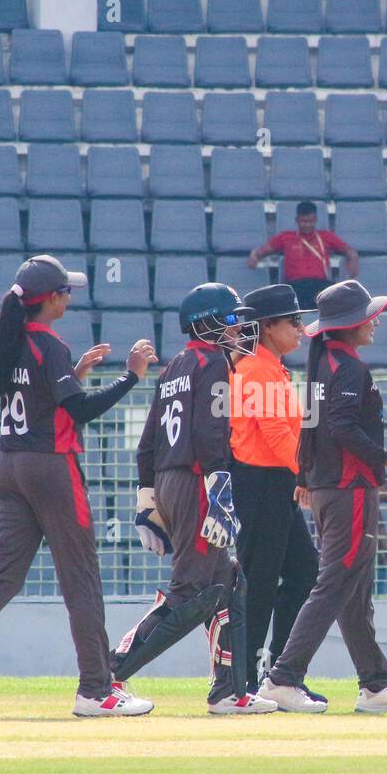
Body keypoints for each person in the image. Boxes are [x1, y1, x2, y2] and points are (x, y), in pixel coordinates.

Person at [0, 256, 158, 717]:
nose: (70, 297)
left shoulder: (13, 342)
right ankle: (96, 690)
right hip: (51, 468)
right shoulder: (47, 344)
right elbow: (78, 412)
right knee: (81, 578)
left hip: (10, 466)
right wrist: (131, 376)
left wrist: (74, 374)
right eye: (66, 291)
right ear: (52, 299)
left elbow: (45, 399)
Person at [111, 283, 278, 715]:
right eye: (229, 319)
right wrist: (219, 490)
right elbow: (209, 433)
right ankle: (108, 672)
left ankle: (230, 691)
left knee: (229, 583)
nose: (238, 327)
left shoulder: (174, 368)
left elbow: (146, 442)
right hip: (198, 480)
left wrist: (148, 496)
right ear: (205, 323)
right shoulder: (211, 364)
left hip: (172, 478)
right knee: (193, 589)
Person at [258, 280, 387, 714]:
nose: (376, 321)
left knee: (353, 590)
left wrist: (307, 477)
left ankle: (375, 686)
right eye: (369, 316)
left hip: (330, 489)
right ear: (350, 325)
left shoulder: (323, 364)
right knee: (335, 584)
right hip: (349, 492)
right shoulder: (348, 369)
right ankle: (283, 677)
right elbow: (344, 428)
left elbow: (314, 426)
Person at [227, 284, 324, 699]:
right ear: (267, 327)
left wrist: (300, 475)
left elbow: (286, 434)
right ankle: (245, 679)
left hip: (274, 481)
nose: (300, 329)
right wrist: (309, 476)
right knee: (261, 581)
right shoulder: (258, 369)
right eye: (293, 321)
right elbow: (276, 435)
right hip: (260, 482)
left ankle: (275, 671)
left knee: (301, 573)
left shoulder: (269, 367)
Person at [246, 201, 358, 310]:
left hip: (319, 285)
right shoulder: (285, 237)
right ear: (297, 221)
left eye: (311, 221)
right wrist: (254, 256)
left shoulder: (326, 236)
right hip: (295, 285)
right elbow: (262, 251)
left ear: (316, 220)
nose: (308, 224)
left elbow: (349, 250)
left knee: (335, 297)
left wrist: (353, 259)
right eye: (304, 221)